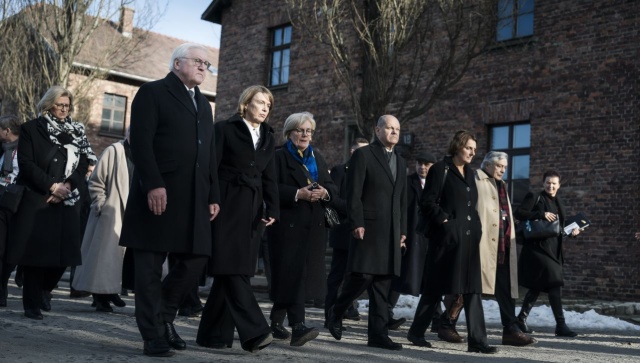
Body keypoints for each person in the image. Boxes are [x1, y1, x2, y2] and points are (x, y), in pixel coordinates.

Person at [119, 43, 221, 357]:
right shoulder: (152, 93)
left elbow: (209, 154)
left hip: (193, 198)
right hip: (159, 194)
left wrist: (213, 194)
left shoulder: (203, 105)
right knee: (149, 268)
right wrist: (153, 184)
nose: (205, 67)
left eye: (208, 64)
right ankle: (153, 335)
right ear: (178, 64)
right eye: (199, 61)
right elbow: (140, 142)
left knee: (198, 257)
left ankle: (162, 315)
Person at [196, 85, 279, 353]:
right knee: (230, 266)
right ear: (245, 104)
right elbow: (211, 167)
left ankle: (212, 334)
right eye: (260, 102)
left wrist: (273, 209)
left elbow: (270, 177)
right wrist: (212, 199)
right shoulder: (225, 128)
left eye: (269, 104)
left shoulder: (268, 135)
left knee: (236, 269)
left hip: (254, 209)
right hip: (226, 204)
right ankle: (255, 331)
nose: (265, 108)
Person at [7, 86, 97, 320]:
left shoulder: (76, 130)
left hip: (67, 199)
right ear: (49, 104)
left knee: (64, 256)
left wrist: (66, 187)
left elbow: (83, 163)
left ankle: (45, 291)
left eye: (67, 106)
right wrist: (51, 186)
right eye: (60, 105)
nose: (64, 110)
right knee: (37, 255)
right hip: (38, 199)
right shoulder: (31, 129)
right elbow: (26, 164)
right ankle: (32, 304)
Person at [407, 130, 497, 354]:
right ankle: (416, 332)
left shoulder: (471, 173)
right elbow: (427, 202)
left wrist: (476, 228)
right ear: (457, 146)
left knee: (473, 290)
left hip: (468, 242)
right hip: (446, 241)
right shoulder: (440, 169)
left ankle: (477, 340)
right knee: (434, 289)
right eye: (469, 148)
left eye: (475, 150)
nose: (472, 153)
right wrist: (445, 222)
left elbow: (471, 206)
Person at [326, 115, 407, 351]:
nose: (394, 132)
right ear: (377, 130)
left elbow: (402, 199)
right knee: (362, 275)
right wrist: (356, 222)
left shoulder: (401, 162)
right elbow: (354, 193)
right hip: (368, 227)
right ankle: (336, 311)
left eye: (397, 129)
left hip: (391, 231)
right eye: (389, 128)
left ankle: (378, 335)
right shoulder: (363, 155)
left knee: (383, 283)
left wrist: (402, 230)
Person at [267, 112, 335, 347]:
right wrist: (298, 193)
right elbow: (271, 188)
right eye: (300, 130)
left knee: (297, 277)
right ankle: (298, 326)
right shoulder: (278, 157)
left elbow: (332, 186)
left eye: (309, 131)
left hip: (314, 228)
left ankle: (276, 323)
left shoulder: (318, 158)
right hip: (288, 227)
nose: (305, 135)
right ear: (289, 133)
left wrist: (325, 192)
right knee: (293, 276)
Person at [475, 151, 536, 346]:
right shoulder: (476, 180)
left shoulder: (502, 185)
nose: (503, 170)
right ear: (488, 165)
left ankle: (510, 330)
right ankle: (446, 322)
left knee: (507, 289)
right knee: (468, 288)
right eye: (499, 166)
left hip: (502, 245)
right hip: (483, 245)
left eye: (504, 167)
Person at [72, 129, 133, 312]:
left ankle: (111, 290)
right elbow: (96, 181)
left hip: (132, 213)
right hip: (111, 211)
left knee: (121, 258)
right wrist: (101, 204)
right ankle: (101, 296)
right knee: (104, 259)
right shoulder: (114, 150)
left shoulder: (146, 152)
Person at [514, 170, 580, 338]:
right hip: (537, 250)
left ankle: (521, 319)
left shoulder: (558, 202)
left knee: (537, 286)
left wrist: (572, 232)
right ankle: (560, 324)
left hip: (553, 249)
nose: (550, 186)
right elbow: (519, 213)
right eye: (548, 183)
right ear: (543, 184)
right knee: (554, 283)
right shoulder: (535, 197)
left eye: (554, 183)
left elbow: (558, 229)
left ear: (559, 185)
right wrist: (541, 213)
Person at [387, 152, 438, 331]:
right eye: (419, 164)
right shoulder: (408, 183)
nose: (422, 167)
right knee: (401, 275)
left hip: (430, 238)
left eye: (426, 164)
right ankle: (386, 314)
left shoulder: (438, 185)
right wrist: (401, 234)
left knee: (431, 279)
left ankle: (437, 318)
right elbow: (399, 209)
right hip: (410, 236)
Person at [324, 138, 369, 323]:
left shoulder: (368, 172)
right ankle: (330, 314)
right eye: (359, 150)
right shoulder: (340, 171)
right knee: (337, 275)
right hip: (344, 231)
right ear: (352, 151)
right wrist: (355, 209)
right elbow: (333, 199)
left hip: (363, 232)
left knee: (358, 275)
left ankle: (346, 308)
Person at [0, 115, 21, 308]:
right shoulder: (2, 149)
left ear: (7, 130)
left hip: (15, 203)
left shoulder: (23, 150)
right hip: (0, 201)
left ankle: (3, 282)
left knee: (10, 251)